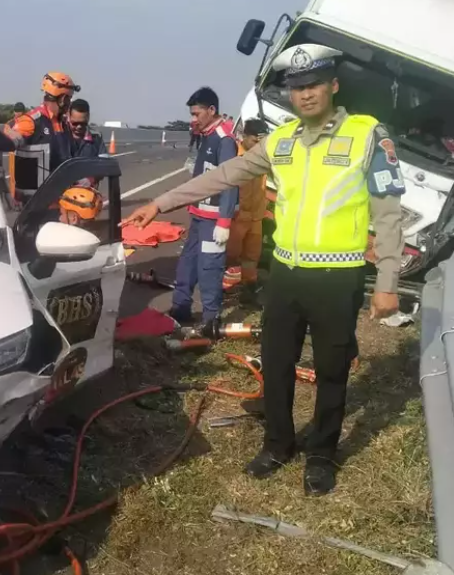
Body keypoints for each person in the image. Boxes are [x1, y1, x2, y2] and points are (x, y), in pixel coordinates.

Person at [121, 43, 405, 496]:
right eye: (297, 88)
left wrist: (388, 281)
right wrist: (160, 202)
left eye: (313, 85)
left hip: (339, 277)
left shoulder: (367, 134)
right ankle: (278, 444)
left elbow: (389, 214)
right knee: (276, 364)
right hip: (287, 276)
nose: (306, 95)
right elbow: (223, 175)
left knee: (332, 371)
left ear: (333, 86)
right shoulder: (282, 140)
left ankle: (321, 455)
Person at [167, 87, 239, 329]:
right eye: (191, 114)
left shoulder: (224, 139)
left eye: (197, 114)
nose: (193, 119)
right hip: (198, 216)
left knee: (209, 268)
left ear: (212, 110)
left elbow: (230, 181)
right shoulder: (206, 135)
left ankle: (211, 320)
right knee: (187, 263)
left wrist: (224, 222)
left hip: (213, 220)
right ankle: (180, 308)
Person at [0, 72, 80, 204]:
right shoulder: (30, 121)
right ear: (61, 98)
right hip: (34, 205)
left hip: (60, 201)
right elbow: (7, 144)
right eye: (68, 99)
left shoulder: (64, 124)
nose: (69, 103)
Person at [223, 118, 270, 295]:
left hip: (256, 216)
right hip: (237, 217)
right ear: (244, 136)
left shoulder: (264, 157)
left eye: (262, 142)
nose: (258, 145)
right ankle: (224, 289)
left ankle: (249, 288)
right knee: (230, 255)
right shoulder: (232, 155)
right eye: (255, 141)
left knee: (252, 256)